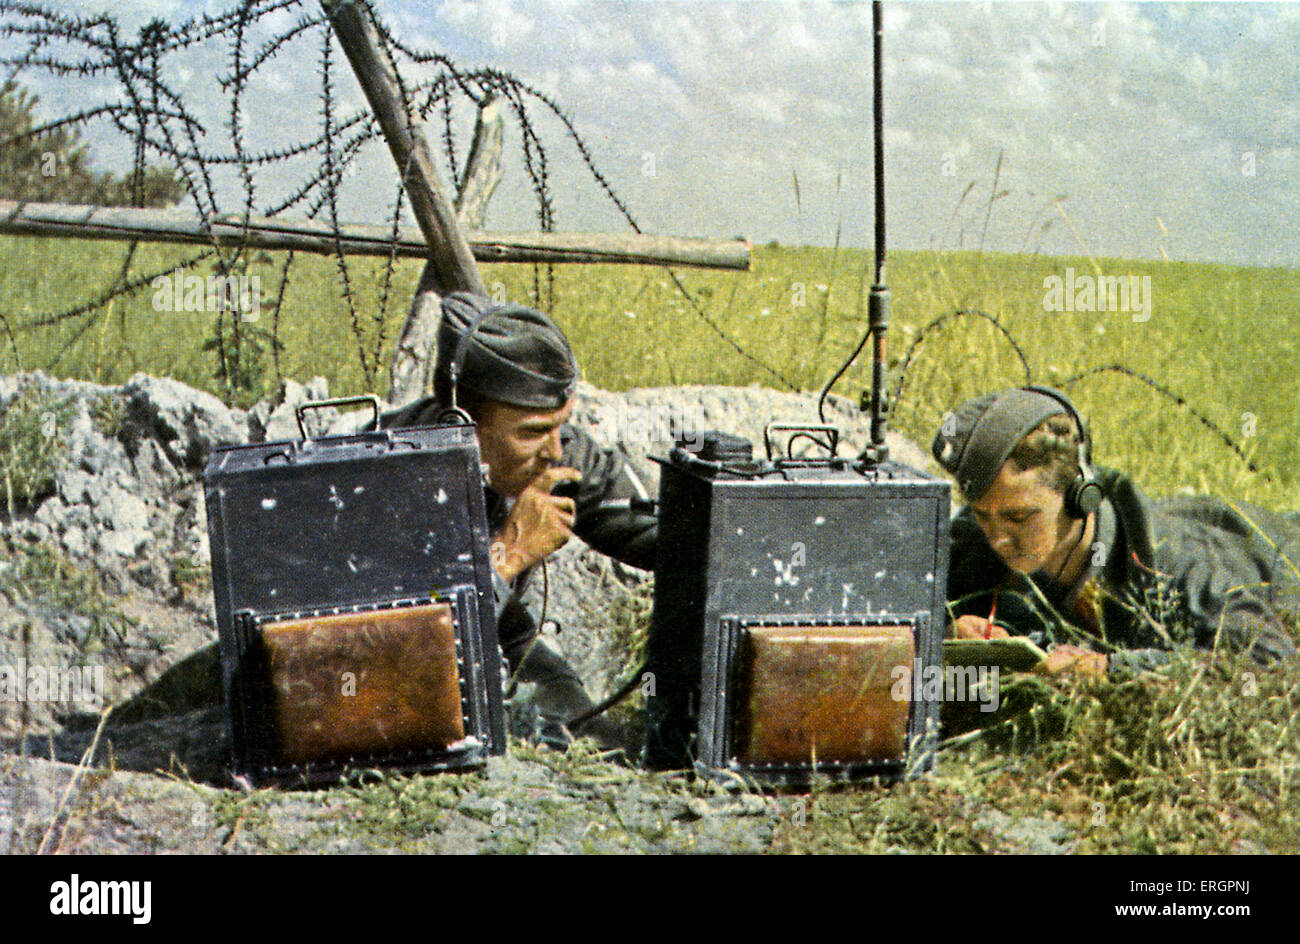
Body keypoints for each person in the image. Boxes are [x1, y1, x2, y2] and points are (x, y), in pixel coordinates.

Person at [381, 292, 656, 749]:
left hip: (507, 641)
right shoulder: (386, 478)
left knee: (601, 743)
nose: (555, 450)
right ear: (460, 423)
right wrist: (507, 554)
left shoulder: (557, 452)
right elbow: (403, 657)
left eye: (560, 425)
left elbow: (662, 534)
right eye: (532, 432)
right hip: (419, 670)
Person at [931, 386, 1298, 678]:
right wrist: (949, 635)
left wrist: (1111, 668)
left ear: (1080, 496)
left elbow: (1270, 659)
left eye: (1019, 518)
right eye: (983, 517)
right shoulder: (979, 534)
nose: (998, 538)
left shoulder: (1174, 562)